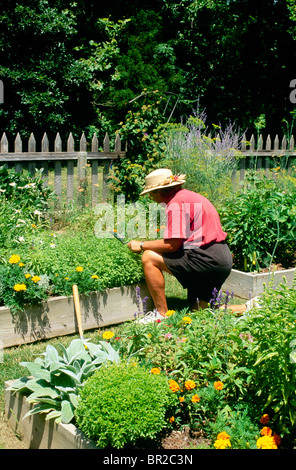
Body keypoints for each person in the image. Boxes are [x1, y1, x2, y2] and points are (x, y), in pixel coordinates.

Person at [127, 168, 233, 323]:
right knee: (201, 312)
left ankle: (160, 315)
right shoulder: (190, 196)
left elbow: (172, 246)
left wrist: (142, 244)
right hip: (222, 258)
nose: (150, 197)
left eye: (151, 193)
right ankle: (249, 308)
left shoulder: (175, 203)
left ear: (160, 192)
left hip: (205, 259)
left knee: (148, 257)